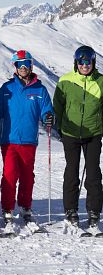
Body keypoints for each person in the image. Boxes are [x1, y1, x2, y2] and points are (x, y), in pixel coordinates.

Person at [0, 50, 53, 225]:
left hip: (29, 141)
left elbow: (46, 110)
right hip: (9, 140)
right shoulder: (7, 88)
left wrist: (49, 116)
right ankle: (7, 208)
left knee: (27, 176)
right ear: (15, 67)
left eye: (26, 64)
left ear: (31, 65)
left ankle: (25, 206)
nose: (24, 67)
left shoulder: (40, 90)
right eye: (20, 64)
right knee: (10, 175)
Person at [53, 45, 103, 228]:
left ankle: (94, 211)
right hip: (70, 134)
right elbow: (57, 105)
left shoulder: (101, 81)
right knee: (72, 173)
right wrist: (59, 126)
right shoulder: (65, 80)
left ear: (93, 63)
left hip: (93, 133)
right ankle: (71, 210)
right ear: (76, 63)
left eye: (88, 62)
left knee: (93, 174)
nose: (84, 65)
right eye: (81, 62)